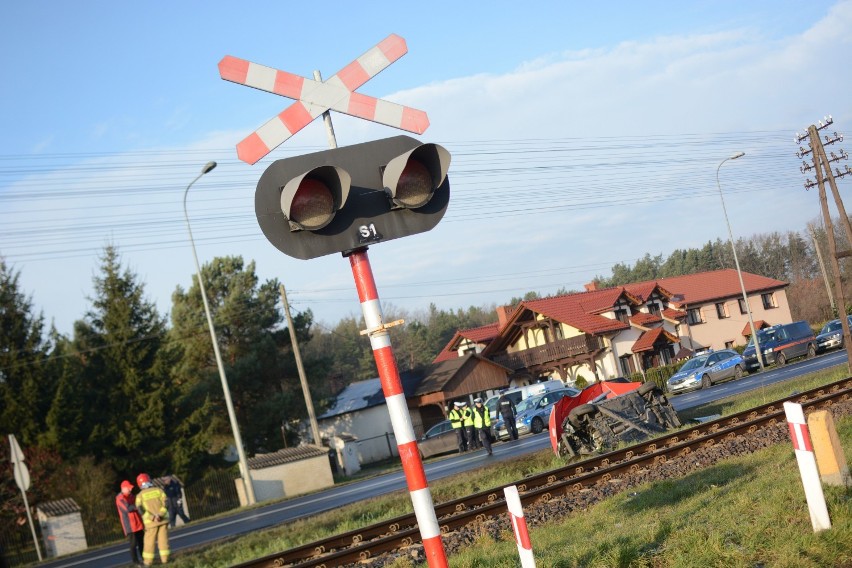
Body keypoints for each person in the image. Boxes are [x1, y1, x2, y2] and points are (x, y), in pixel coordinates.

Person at [135, 473, 170, 566]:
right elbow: (166, 503)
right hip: (163, 521)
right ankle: (165, 560)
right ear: (149, 481)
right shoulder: (159, 491)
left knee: (149, 543)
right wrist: (160, 515)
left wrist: (153, 517)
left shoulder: (139, 496)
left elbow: (140, 510)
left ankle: (147, 563)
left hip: (151, 523)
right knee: (163, 541)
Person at [115, 480, 145, 566]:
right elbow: (127, 508)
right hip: (129, 525)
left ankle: (144, 559)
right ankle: (135, 562)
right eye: (128, 488)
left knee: (141, 542)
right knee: (133, 544)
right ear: (123, 489)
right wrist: (138, 507)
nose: (130, 490)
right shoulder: (119, 498)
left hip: (138, 523)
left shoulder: (131, 496)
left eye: (130, 488)